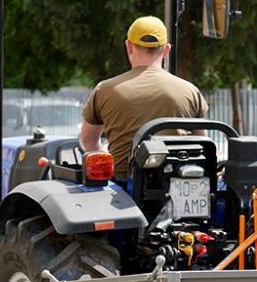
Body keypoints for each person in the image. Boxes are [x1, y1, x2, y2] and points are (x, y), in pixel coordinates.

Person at [80, 16, 209, 181]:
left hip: (123, 186)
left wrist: (104, 156)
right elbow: (201, 143)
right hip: (177, 181)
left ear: (128, 47)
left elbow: (88, 140)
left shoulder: (105, 90)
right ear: (167, 50)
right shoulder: (191, 91)